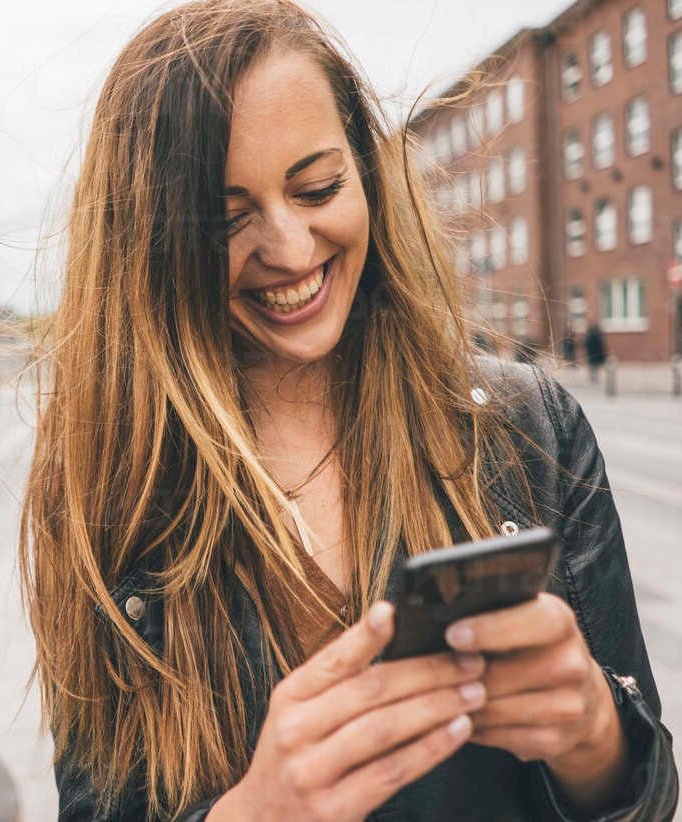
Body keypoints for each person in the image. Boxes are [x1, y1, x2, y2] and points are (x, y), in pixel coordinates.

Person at [19, 1, 677, 820]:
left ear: (365, 171)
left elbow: (648, 795)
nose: (292, 250)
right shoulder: (105, 490)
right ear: (150, 241)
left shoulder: (529, 429)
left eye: (319, 186)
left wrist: (590, 732)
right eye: (228, 219)